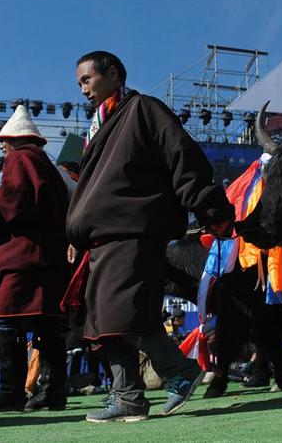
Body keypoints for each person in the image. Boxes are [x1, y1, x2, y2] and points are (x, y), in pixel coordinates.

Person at [67, 51, 234, 422]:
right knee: (100, 323)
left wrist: (210, 208)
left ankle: (179, 371)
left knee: (120, 314)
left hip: (133, 231)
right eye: (79, 83)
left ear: (112, 74)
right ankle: (126, 396)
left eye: (86, 80)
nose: (83, 90)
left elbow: (181, 156)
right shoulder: (99, 124)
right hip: (100, 239)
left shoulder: (142, 109)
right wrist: (77, 234)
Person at [0, 105, 70, 411]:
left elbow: (14, 201)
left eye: (3, 140)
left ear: (15, 140)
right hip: (45, 259)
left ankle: (11, 391)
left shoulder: (21, 158)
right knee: (46, 324)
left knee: (4, 318)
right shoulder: (42, 162)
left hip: (26, 259)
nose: (0, 146)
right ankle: (53, 392)